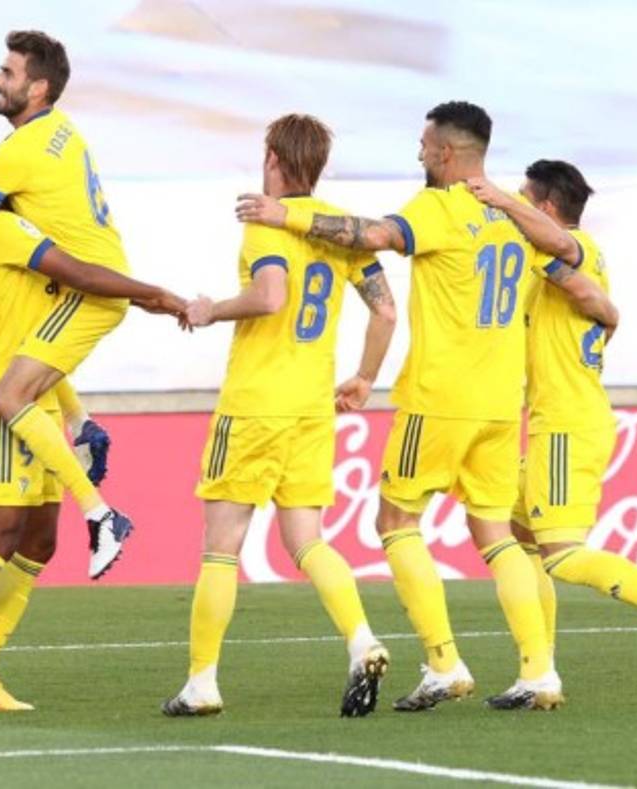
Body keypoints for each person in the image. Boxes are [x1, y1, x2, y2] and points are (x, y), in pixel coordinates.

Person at [235, 101, 611, 710]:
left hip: (439, 398)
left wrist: (290, 218)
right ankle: (539, 671)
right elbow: (570, 258)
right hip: (499, 402)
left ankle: (443, 663)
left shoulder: (437, 207)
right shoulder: (513, 215)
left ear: (444, 153)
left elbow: (375, 236)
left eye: (422, 144)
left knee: (396, 522)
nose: (417, 153)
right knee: (496, 534)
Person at [0, 133, 186, 716]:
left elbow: (38, 337)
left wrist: (76, 414)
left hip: (35, 393)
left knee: (37, 540)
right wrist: (153, 294)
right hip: (2, 401)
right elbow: (77, 272)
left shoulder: (0, 226)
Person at [161, 115, 397, 718]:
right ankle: (362, 640)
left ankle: (202, 683)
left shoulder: (265, 223)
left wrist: (212, 310)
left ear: (271, 155)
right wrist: (366, 377)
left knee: (221, 547)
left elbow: (270, 297)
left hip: (255, 406)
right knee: (308, 541)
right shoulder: (336, 230)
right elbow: (387, 312)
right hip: (312, 408)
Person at [467, 162, 637, 681]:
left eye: (524, 198)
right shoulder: (551, 268)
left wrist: (499, 201)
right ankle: (539, 671)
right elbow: (598, 307)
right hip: (558, 418)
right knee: (513, 534)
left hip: (566, 424)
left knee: (562, 556)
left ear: (544, 209)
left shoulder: (574, 248)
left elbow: (590, 293)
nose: (515, 203)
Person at [0, 31, 139, 578]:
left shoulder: (13, 160)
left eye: (7, 72)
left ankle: (100, 513)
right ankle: (84, 427)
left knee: (10, 394)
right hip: (99, 276)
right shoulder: (63, 132)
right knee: (29, 357)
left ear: (38, 86)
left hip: (93, 284)